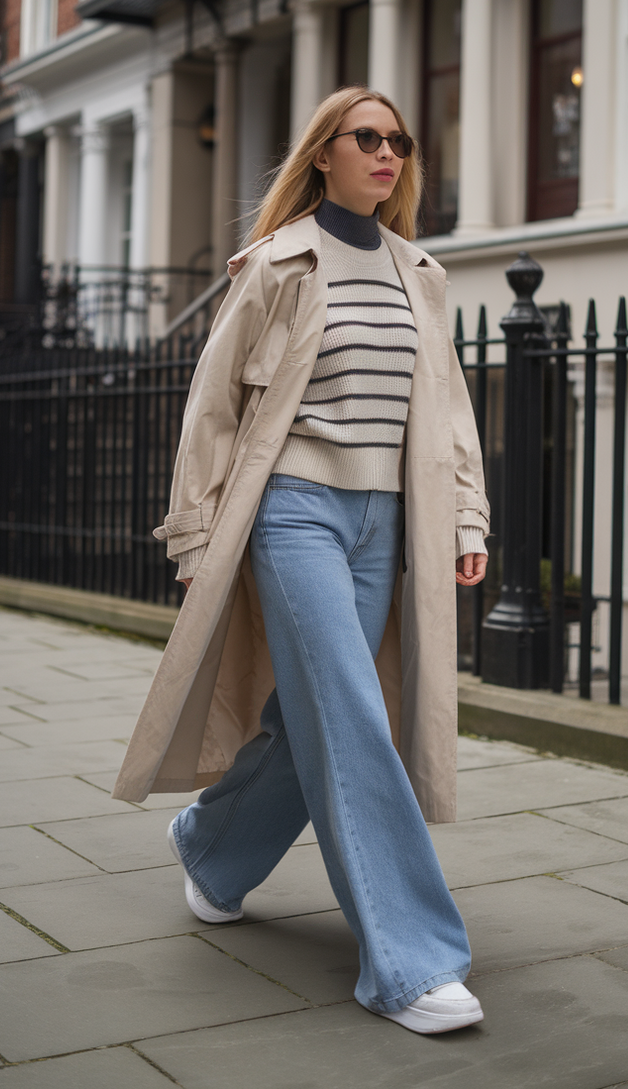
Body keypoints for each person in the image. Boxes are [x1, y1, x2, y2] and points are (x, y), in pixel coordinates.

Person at [111, 87, 490, 1034]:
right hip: (294, 514)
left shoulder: (420, 272)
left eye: (399, 141)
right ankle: (410, 961)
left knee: (308, 714)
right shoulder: (279, 264)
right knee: (354, 714)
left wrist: (467, 520)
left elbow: (446, 411)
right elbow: (212, 407)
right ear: (324, 152)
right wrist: (195, 532)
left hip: (387, 522)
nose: (389, 154)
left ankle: (214, 848)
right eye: (369, 138)